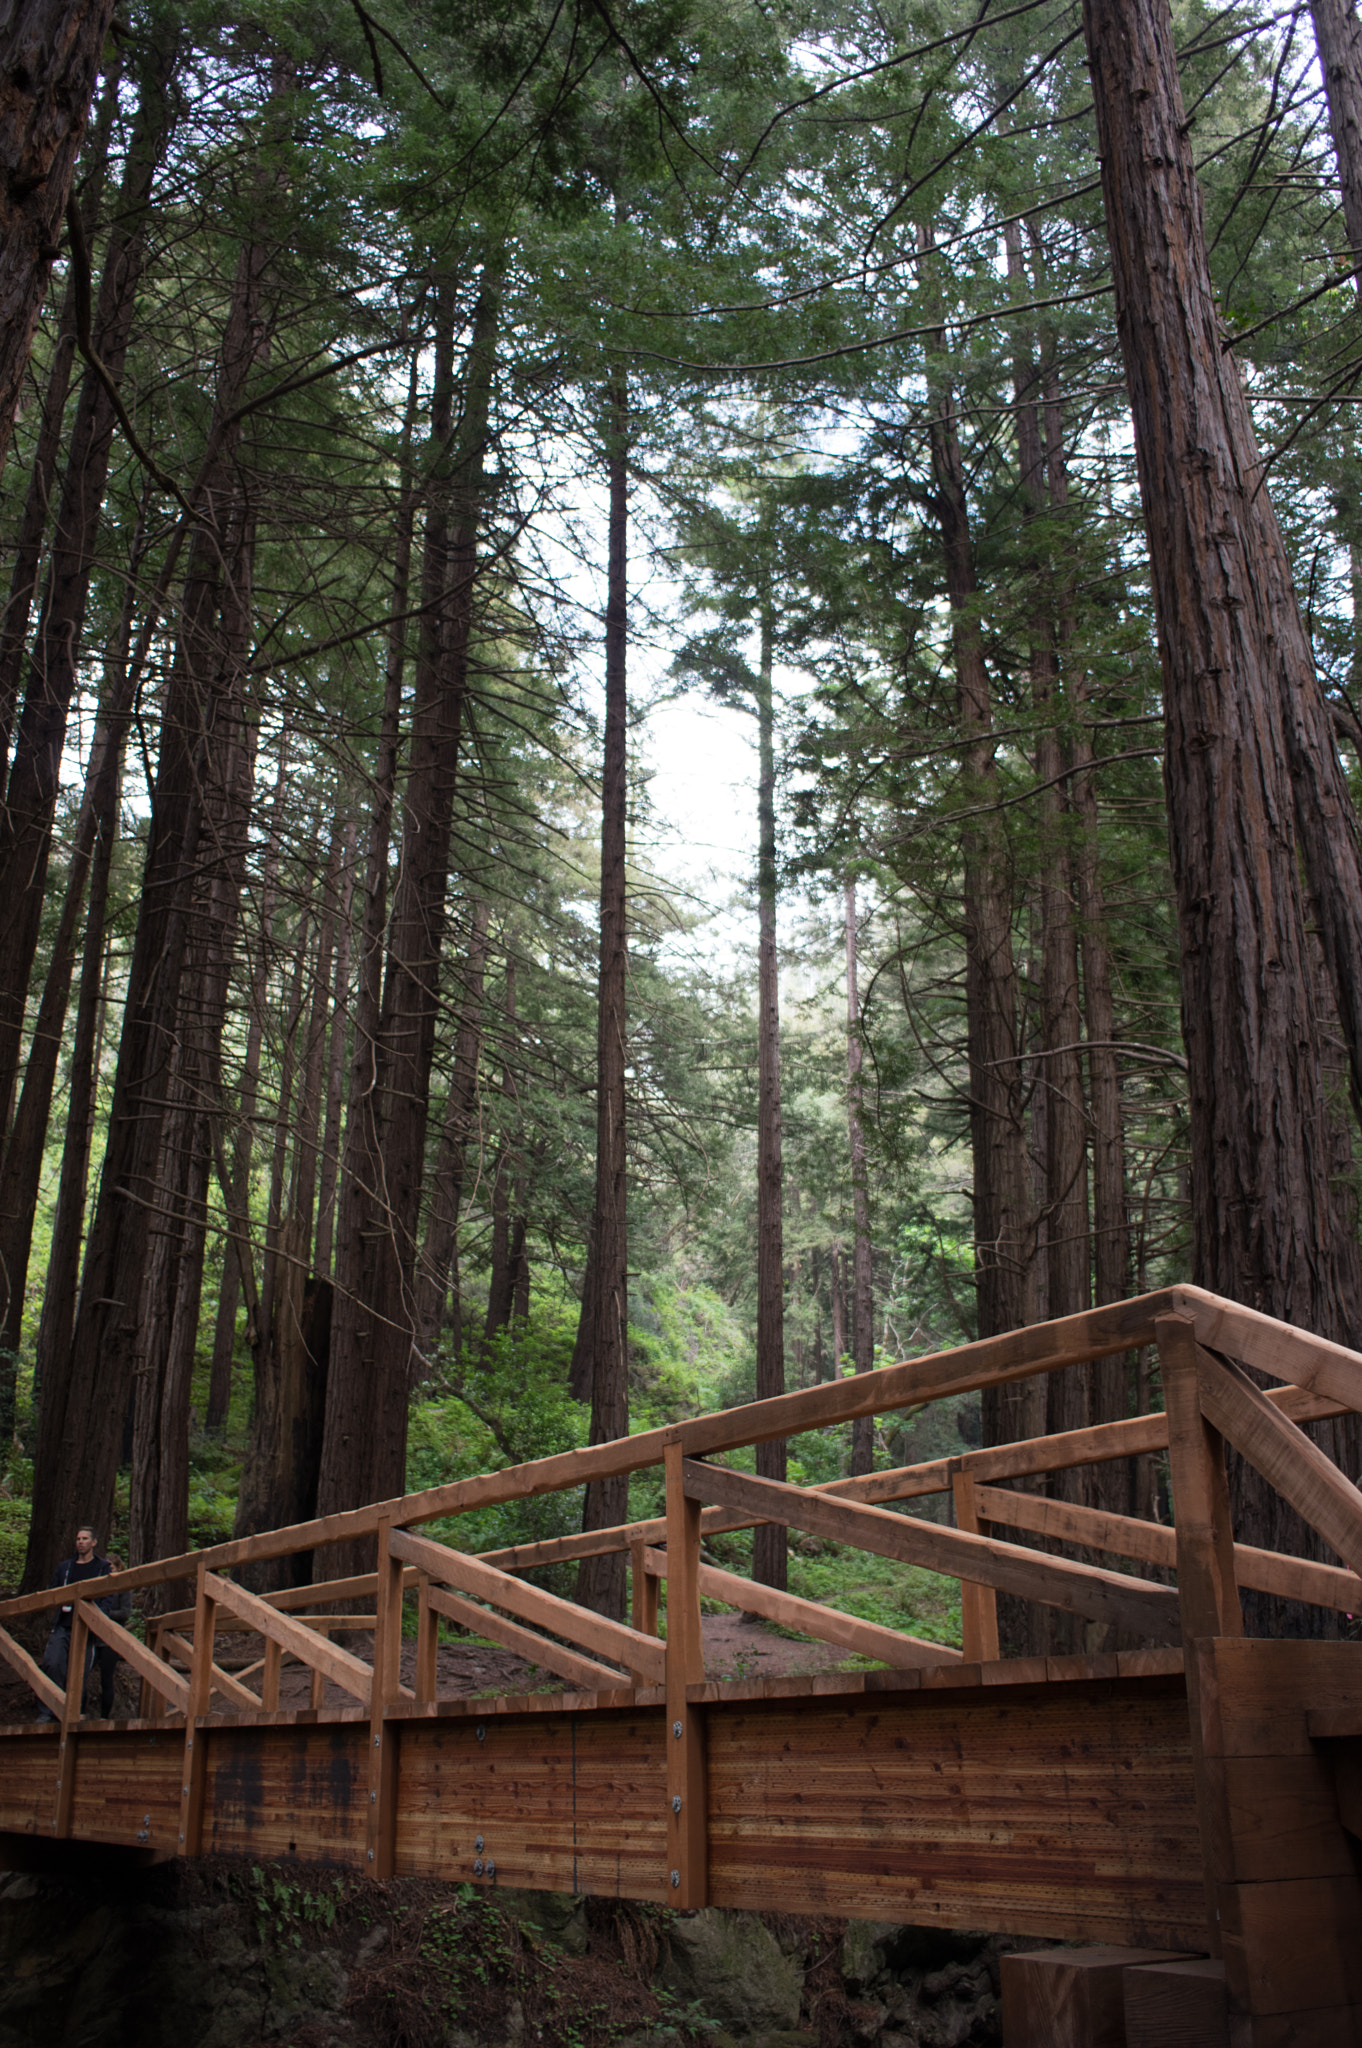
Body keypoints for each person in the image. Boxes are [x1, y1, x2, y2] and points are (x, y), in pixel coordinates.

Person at [37, 1526, 111, 1721]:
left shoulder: (102, 1567)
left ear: (94, 1542)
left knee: (78, 1672)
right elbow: (52, 1592)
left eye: (85, 1538)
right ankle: (48, 1711)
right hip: (63, 1624)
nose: (80, 1542)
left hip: (86, 1628)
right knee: (53, 1664)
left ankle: (71, 1714)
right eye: (78, 1538)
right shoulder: (65, 1567)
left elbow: (107, 1596)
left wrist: (96, 1617)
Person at [91, 1552, 129, 1718]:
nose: (108, 1570)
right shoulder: (98, 1585)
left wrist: (105, 1613)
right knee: (82, 1673)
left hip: (111, 1639)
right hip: (93, 1637)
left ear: (118, 1567)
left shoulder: (123, 1587)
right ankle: (79, 1713)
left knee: (106, 1678)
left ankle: (104, 1717)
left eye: (111, 1567)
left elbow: (125, 1613)